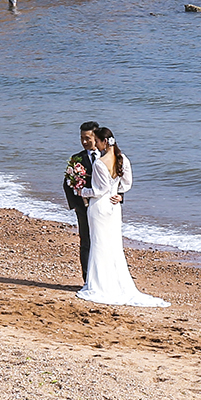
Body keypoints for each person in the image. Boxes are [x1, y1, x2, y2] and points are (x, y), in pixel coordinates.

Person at [74, 128, 167, 307]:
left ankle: (99, 284)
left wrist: (80, 191)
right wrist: (119, 194)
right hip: (114, 207)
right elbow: (127, 183)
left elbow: (98, 190)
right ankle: (113, 281)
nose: (96, 145)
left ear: (102, 142)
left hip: (99, 207)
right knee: (113, 244)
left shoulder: (100, 163)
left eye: (97, 141)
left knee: (99, 243)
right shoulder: (123, 159)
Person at [63, 121, 104, 282]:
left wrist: (119, 197)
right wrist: (77, 206)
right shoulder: (77, 158)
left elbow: (118, 177)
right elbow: (67, 183)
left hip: (104, 207)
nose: (84, 141)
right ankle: (87, 279)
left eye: (87, 138)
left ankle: (102, 278)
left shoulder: (108, 156)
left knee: (102, 241)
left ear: (96, 137)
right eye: (82, 138)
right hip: (84, 208)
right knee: (86, 241)